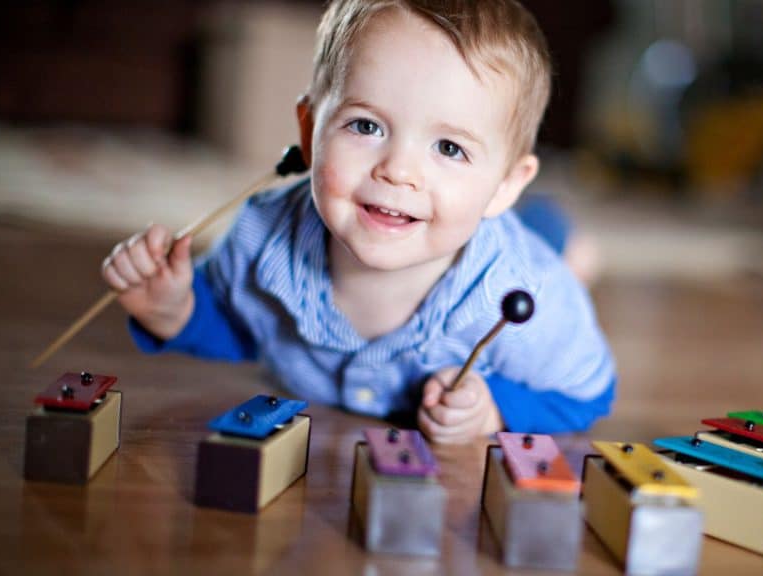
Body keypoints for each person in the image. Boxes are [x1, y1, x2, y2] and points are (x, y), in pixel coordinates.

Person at [100, 0, 615, 443]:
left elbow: (587, 391)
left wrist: (494, 409)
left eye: (449, 147)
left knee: (551, 244)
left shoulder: (529, 295)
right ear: (309, 130)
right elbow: (237, 325)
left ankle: (556, 232)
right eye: (366, 125)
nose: (397, 170)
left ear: (506, 182)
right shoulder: (263, 236)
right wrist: (173, 310)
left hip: (525, 249)